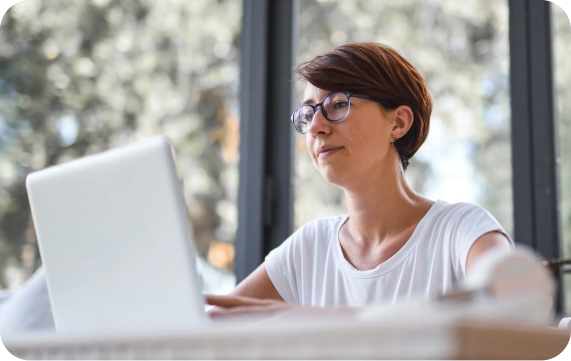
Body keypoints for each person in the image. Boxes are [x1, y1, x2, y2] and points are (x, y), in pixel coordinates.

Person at [206, 42, 512, 317]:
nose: (316, 127)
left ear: (399, 121)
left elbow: (513, 315)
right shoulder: (309, 247)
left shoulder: (463, 230)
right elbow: (210, 327)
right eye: (309, 113)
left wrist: (326, 322)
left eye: (338, 104)